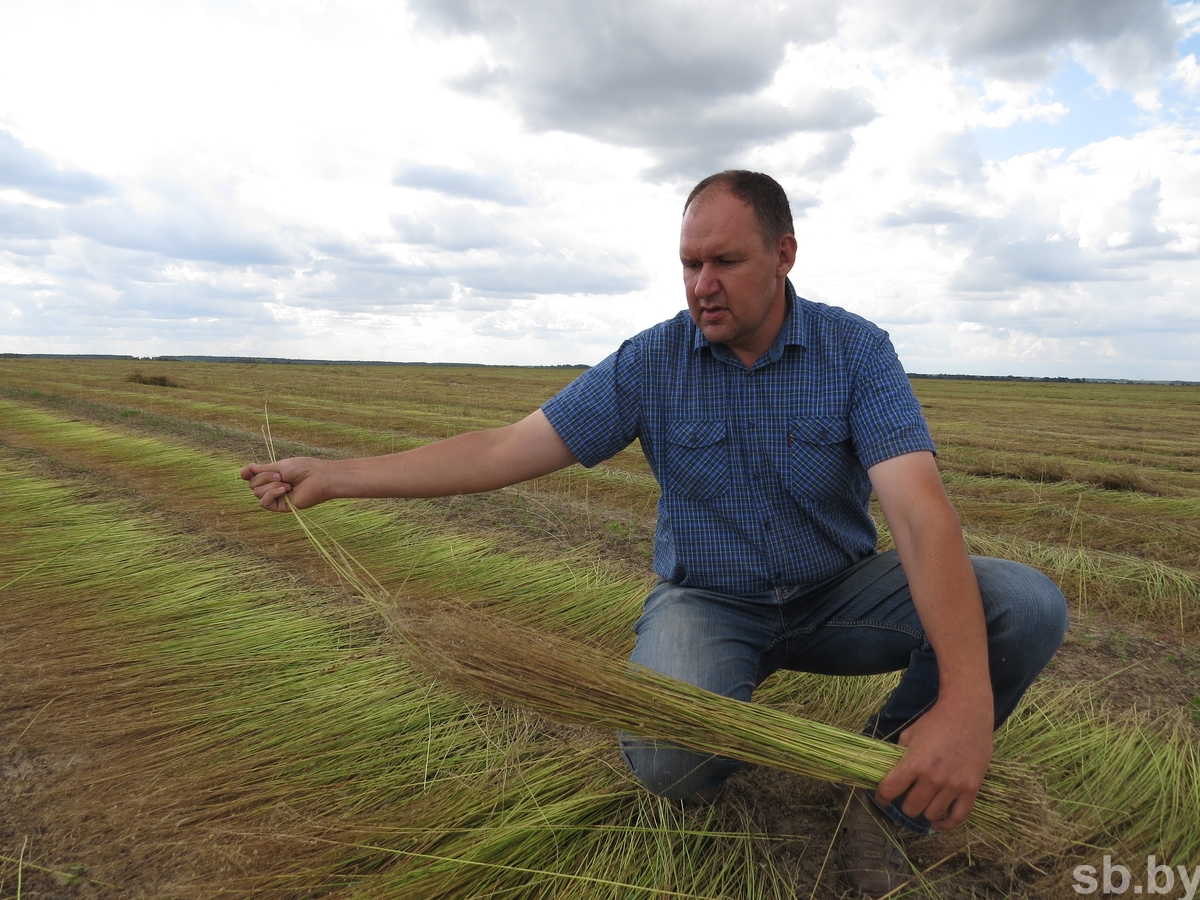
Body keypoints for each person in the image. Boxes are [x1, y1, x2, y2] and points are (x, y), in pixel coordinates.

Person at [242, 170, 1068, 897]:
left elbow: (919, 513)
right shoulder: (651, 362)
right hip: (709, 603)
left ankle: (891, 790)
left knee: (1024, 606)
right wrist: (337, 476)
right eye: (689, 263)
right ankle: (727, 713)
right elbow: (502, 450)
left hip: (839, 595)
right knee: (671, 762)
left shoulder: (855, 351)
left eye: (725, 261)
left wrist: (966, 704)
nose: (703, 285)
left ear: (784, 255)